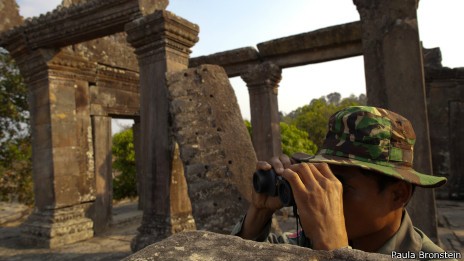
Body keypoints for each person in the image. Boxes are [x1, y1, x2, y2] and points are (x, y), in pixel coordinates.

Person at [232, 106, 453, 257]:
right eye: (321, 177)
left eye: (338, 185)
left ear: (398, 194)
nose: (323, 194)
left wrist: (335, 250)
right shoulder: (302, 242)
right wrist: (258, 215)